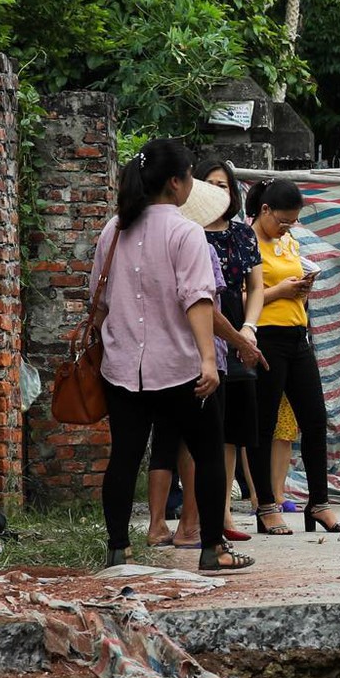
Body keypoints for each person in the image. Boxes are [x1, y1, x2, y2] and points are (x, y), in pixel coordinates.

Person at [87, 139, 251, 573]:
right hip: (180, 367)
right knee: (209, 454)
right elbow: (197, 300)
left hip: (122, 368)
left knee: (124, 456)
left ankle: (117, 550)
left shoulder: (113, 230)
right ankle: (212, 549)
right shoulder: (186, 232)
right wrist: (209, 361)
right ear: (177, 184)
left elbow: (98, 300)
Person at [147, 164, 260, 547]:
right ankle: (193, 528)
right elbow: (206, 307)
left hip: (154, 357)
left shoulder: (140, 236)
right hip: (197, 356)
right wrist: (229, 347)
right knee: (205, 445)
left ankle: (156, 525)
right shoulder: (194, 242)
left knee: (164, 443)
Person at [245, 179, 340, 535]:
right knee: (264, 425)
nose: (287, 227)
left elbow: (290, 286)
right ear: (265, 210)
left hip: (298, 337)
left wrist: (302, 288)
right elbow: (243, 300)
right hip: (265, 338)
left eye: (293, 222)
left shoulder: (288, 241)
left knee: (316, 420)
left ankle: (319, 503)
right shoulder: (246, 241)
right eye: (282, 220)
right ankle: (266, 505)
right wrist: (280, 291)